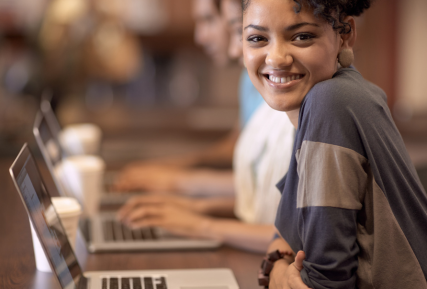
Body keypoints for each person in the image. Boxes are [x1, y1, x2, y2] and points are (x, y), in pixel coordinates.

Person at [242, 0, 427, 288]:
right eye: (257, 38)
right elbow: (286, 240)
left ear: (345, 35)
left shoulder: (330, 102)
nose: (276, 57)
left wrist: (276, 273)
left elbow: (324, 283)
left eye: (302, 36)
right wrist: (277, 268)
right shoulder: (325, 99)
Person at [117, 0, 296, 253]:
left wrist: (193, 206)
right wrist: (197, 204)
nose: (237, 50)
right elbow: (260, 186)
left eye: (209, 20)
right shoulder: (263, 88)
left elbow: (298, 235)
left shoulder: (301, 105)